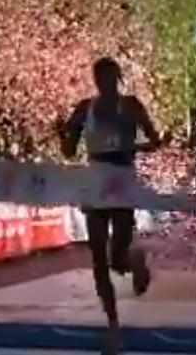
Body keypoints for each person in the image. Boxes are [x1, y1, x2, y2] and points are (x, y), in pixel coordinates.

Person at [60, 57, 161, 355]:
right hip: (95, 182)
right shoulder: (84, 108)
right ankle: (112, 326)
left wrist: (130, 147)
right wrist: (62, 134)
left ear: (118, 79)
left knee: (117, 258)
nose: (105, 84)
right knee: (98, 259)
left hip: (121, 181)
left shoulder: (130, 105)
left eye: (110, 79)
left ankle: (135, 262)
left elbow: (155, 141)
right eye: (100, 79)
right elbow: (68, 152)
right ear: (95, 80)